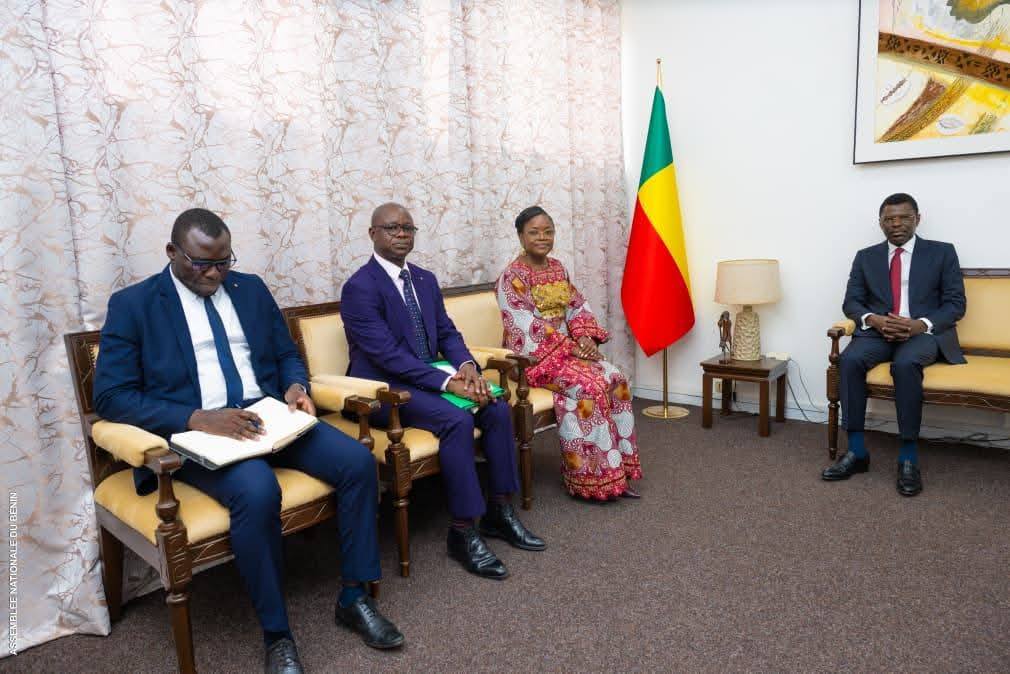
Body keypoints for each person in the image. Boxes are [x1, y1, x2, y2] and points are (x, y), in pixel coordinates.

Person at [94, 209, 403, 674]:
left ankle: (355, 596)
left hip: (267, 418)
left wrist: (296, 389)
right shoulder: (134, 304)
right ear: (172, 253)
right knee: (258, 491)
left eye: (224, 262)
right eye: (203, 264)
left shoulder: (250, 288)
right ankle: (277, 633)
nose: (216, 274)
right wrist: (196, 418)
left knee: (357, 463)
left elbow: (284, 356)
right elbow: (112, 396)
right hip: (198, 435)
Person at [340, 202, 546, 580]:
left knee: (496, 407)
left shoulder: (424, 279)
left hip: (430, 377)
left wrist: (467, 368)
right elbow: (386, 355)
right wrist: (450, 383)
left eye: (408, 228)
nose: (402, 234)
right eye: (392, 228)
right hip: (384, 390)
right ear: (373, 234)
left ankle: (499, 509)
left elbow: (447, 333)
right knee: (455, 420)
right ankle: (463, 530)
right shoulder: (359, 288)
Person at [821, 193, 966, 496]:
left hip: (922, 334)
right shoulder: (866, 256)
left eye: (904, 217)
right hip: (878, 333)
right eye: (889, 219)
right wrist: (873, 320)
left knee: (905, 364)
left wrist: (919, 325)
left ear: (917, 219)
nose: (896, 224)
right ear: (881, 223)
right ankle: (857, 451)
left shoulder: (941, 253)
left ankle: (908, 457)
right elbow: (852, 302)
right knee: (849, 361)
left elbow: (955, 305)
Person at [496, 206, 642, 501]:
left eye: (548, 231)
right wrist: (573, 348)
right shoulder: (511, 277)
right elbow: (524, 328)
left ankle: (616, 471)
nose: (542, 237)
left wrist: (586, 337)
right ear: (520, 236)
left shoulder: (558, 268)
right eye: (534, 232)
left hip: (567, 352)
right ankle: (588, 477)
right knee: (589, 385)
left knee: (616, 378)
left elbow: (576, 306)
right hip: (532, 358)